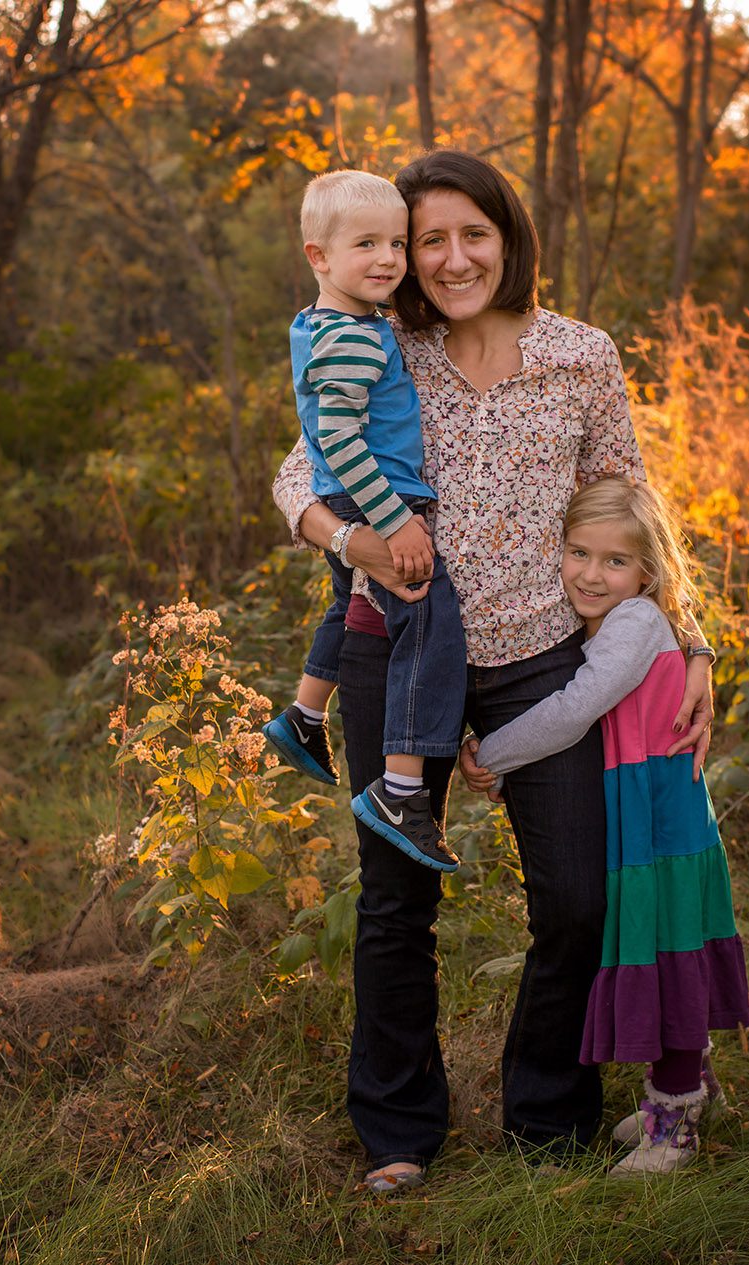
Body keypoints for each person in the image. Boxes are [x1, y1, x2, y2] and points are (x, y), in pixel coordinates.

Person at [271, 150, 715, 1194]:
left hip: (544, 660)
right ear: (403, 254)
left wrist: (687, 641)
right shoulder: (384, 343)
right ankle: (397, 1128)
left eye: (475, 233)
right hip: (399, 652)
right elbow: (299, 471)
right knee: (394, 899)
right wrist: (352, 541)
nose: (453, 256)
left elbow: (628, 511)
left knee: (574, 898)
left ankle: (548, 1113)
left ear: (509, 238)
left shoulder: (580, 353)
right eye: (430, 239)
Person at [461, 478, 749, 1176]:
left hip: (660, 813)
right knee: (660, 938)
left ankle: (673, 1123)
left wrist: (491, 756)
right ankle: (691, 1086)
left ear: (647, 570)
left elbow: (574, 707)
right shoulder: (621, 618)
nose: (591, 573)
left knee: (667, 945)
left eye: (614, 561)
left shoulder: (634, 625)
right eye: (578, 552)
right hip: (647, 805)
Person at [261, 170, 468, 873]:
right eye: (367, 245)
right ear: (318, 256)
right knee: (427, 619)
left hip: (349, 499)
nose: (389, 259)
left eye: (399, 244)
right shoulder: (353, 336)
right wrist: (395, 523)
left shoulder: (327, 322)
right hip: (374, 499)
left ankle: (304, 716)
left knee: (346, 601)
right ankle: (402, 791)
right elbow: (343, 440)